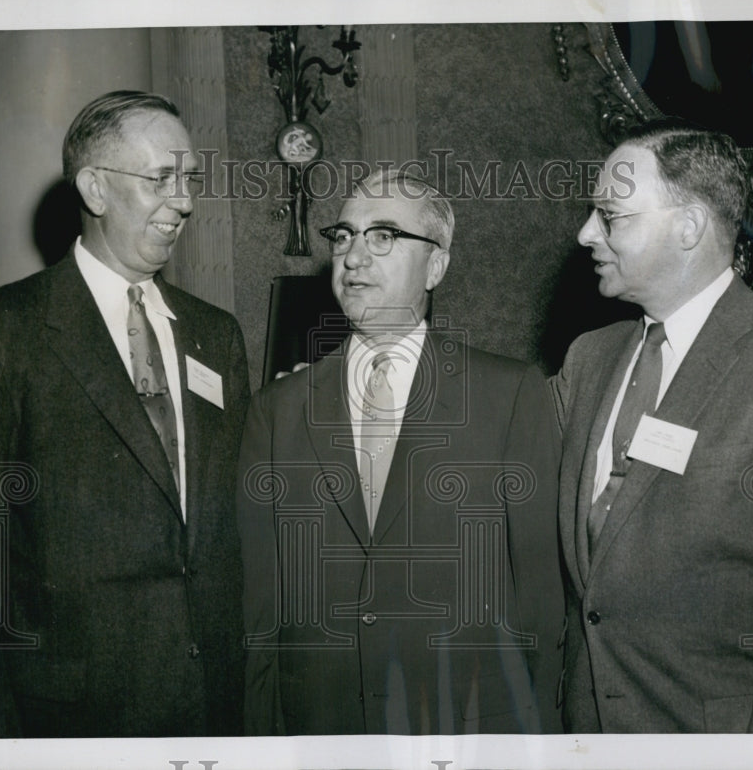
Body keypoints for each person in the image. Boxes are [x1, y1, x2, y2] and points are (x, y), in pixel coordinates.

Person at [0, 90, 250, 737]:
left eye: (189, 179)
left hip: (214, 707)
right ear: (96, 189)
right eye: (162, 178)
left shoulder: (216, 335)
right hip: (72, 719)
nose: (185, 200)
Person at [237, 169, 562, 735]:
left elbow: (541, 603)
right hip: (319, 730)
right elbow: (260, 610)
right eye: (344, 236)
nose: (354, 257)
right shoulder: (277, 410)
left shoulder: (508, 396)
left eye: (383, 236)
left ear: (436, 264)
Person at [552, 119, 753, 732]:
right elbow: (499, 445)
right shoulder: (588, 357)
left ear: (688, 227)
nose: (585, 234)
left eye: (610, 215)